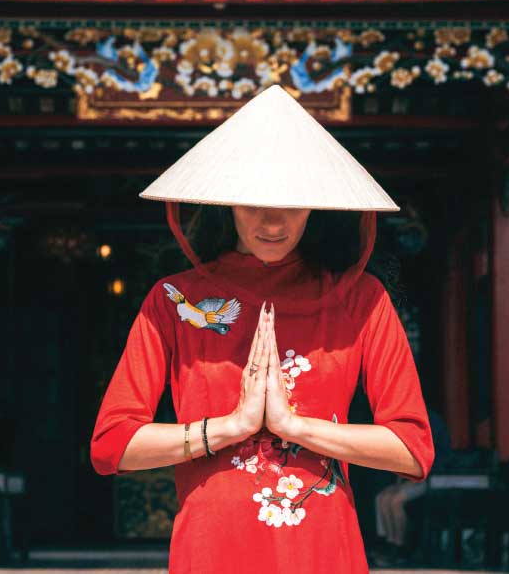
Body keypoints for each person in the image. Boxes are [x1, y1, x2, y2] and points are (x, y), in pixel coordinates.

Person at [90, 85, 435, 574]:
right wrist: (230, 427)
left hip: (321, 552)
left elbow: (413, 450)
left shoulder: (360, 299)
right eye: (254, 204)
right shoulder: (175, 301)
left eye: (292, 204)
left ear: (317, 204)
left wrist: (294, 426)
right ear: (227, 201)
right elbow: (111, 445)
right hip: (212, 549)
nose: (273, 223)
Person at [372, 409, 453, 566]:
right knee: (382, 498)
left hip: (431, 477)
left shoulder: (431, 420)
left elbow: (434, 457)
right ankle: (387, 541)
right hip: (409, 477)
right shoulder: (402, 421)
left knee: (396, 501)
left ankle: (400, 546)